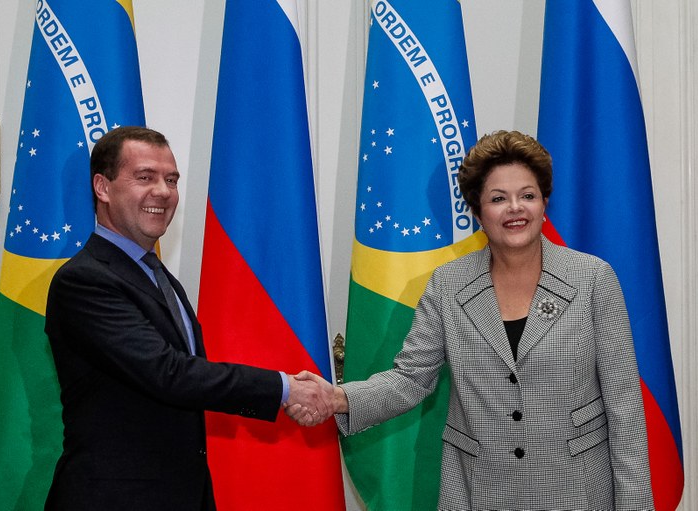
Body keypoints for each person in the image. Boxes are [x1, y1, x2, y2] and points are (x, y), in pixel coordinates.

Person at [292, 131, 654, 510]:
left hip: (577, 492)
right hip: (479, 492)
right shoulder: (448, 286)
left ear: (544, 203)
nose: (516, 208)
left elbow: (625, 407)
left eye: (527, 195)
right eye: (499, 199)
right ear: (478, 212)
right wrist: (337, 398)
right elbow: (410, 380)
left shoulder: (593, 278)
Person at [44, 126, 332, 510]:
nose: (163, 191)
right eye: (145, 177)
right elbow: (169, 373)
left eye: (171, 179)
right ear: (102, 187)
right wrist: (283, 389)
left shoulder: (160, 277)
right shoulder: (84, 280)